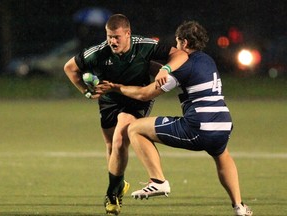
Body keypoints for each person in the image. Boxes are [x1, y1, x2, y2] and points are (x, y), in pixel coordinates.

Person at [97, 21, 253, 216]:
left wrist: (116, 87)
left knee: (134, 128)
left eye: (178, 43)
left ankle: (158, 181)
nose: (176, 48)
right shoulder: (206, 60)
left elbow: (145, 94)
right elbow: (172, 73)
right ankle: (239, 206)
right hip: (223, 124)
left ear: (184, 43)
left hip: (199, 127)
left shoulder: (183, 64)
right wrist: (148, 65)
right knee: (223, 156)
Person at [64, 14, 188, 215]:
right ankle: (119, 185)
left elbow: (180, 55)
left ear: (128, 34)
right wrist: (86, 91)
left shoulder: (144, 45)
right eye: (109, 36)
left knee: (122, 135)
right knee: (112, 145)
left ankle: (112, 194)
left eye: (117, 37)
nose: (112, 41)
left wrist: (165, 68)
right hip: (109, 100)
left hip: (136, 100)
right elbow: (69, 68)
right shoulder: (99, 52)